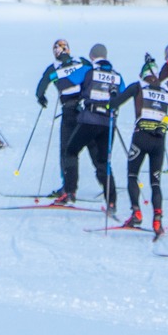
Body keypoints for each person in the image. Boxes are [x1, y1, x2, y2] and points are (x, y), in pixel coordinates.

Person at [111, 57, 168, 236]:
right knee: (155, 182)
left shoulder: (137, 87)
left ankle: (136, 213)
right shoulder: (166, 91)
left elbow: (114, 104)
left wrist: (113, 95)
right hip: (159, 141)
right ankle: (157, 219)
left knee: (132, 175)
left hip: (140, 138)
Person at [55, 44, 121, 209]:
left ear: (92, 56)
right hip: (108, 123)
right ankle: (111, 201)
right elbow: (123, 94)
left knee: (70, 151)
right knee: (103, 162)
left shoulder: (87, 70)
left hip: (89, 120)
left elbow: (65, 83)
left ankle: (70, 192)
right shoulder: (117, 76)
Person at [35, 38, 92, 199]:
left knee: (67, 150)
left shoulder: (54, 67)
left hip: (69, 111)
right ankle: (107, 185)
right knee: (94, 146)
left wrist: (41, 98)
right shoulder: (81, 61)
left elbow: (42, 85)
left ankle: (68, 189)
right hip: (86, 110)